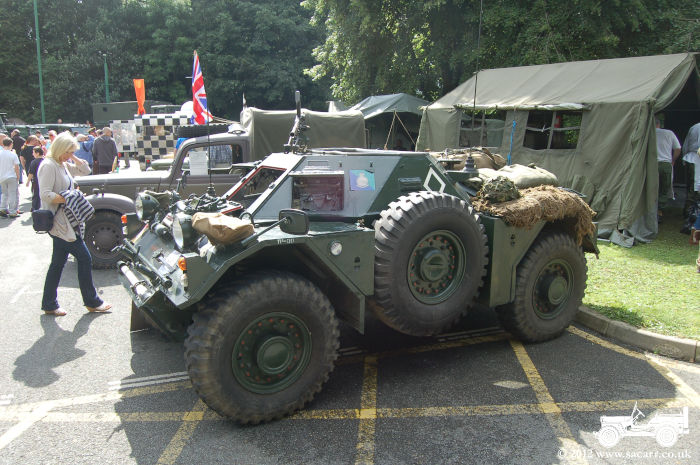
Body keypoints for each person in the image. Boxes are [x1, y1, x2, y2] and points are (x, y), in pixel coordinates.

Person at [38, 132, 112, 316]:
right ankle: (91, 301)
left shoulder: (60, 164)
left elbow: (85, 170)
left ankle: (49, 303)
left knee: (57, 264)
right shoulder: (49, 165)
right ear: (60, 149)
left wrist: (73, 157)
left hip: (65, 221)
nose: (70, 155)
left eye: (72, 152)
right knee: (84, 258)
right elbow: (45, 194)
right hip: (60, 222)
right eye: (68, 151)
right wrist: (70, 197)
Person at [654, 117, 681, 221]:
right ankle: (659, 212)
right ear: (659, 124)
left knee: (651, 188)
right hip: (666, 164)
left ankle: (650, 211)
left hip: (652, 164)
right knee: (664, 189)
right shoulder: (669, 133)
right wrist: (673, 161)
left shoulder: (648, 133)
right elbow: (678, 148)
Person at [0, 137, 20, 218]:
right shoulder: (13, 154)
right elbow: (16, 167)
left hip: (2, 176)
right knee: (13, 194)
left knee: (4, 193)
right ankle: (12, 211)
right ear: (11, 144)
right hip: (11, 176)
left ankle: (2, 208)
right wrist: (18, 176)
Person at [26, 146, 44, 211]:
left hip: (36, 180)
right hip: (45, 180)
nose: (32, 154)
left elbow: (31, 173)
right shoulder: (45, 161)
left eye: (33, 152)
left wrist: (28, 181)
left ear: (37, 153)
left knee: (36, 194)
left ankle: (35, 208)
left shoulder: (34, 162)